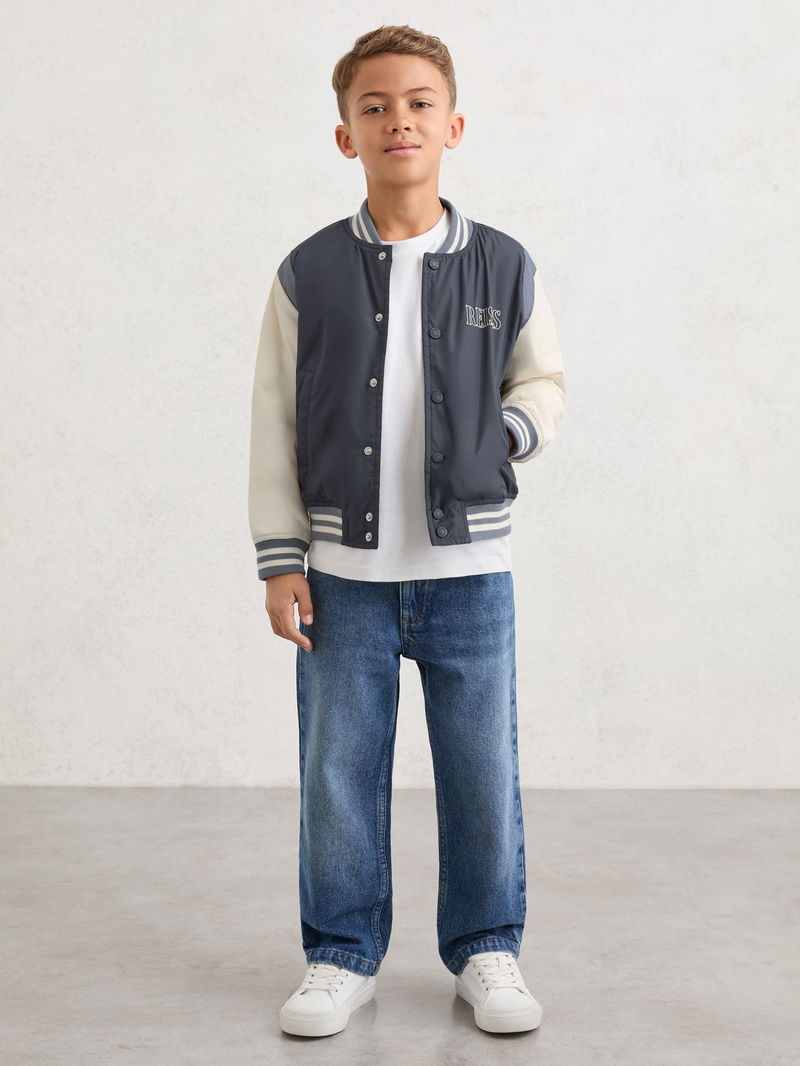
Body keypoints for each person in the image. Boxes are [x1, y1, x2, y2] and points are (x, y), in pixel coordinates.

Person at [247, 23, 567, 1038]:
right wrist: (281, 559)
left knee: (481, 771)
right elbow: (273, 419)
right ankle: (340, 955)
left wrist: (503, 434)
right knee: (336, 772)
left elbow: (542, 383)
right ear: (345, 134)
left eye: (419, 102)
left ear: (453, 125)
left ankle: (487, 948)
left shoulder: (503, 265)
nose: (399, 120)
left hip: (471, 570)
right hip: (343, 576)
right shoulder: (307, 273)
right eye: (374, 106)